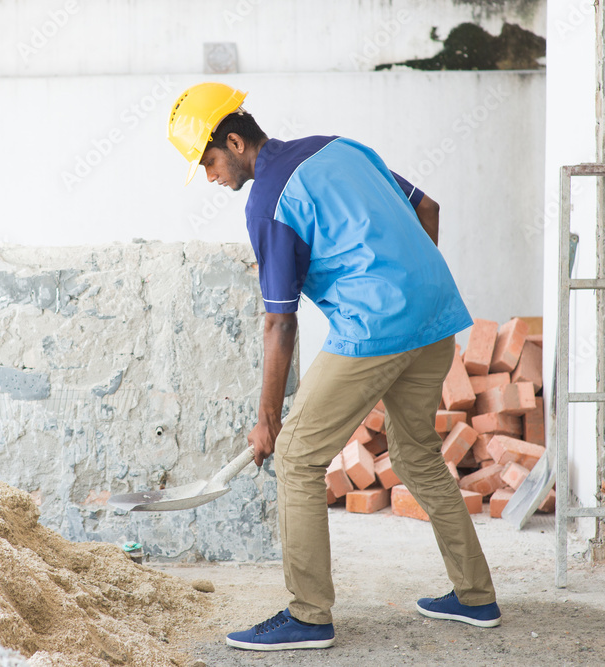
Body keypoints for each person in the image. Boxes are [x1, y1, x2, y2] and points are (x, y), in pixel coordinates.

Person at [167, 83, 501, 652]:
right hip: (436, 313)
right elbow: (428, 207)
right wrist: (410, 289)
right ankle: (476, 597)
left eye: (210, 162)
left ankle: (308, 615)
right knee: (417, 453)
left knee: (296, 456)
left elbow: (279, 322)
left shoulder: (269, 201)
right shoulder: (340, 147)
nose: (211, 177)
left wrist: (267, 419)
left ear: (235, 140)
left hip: (375, 328)